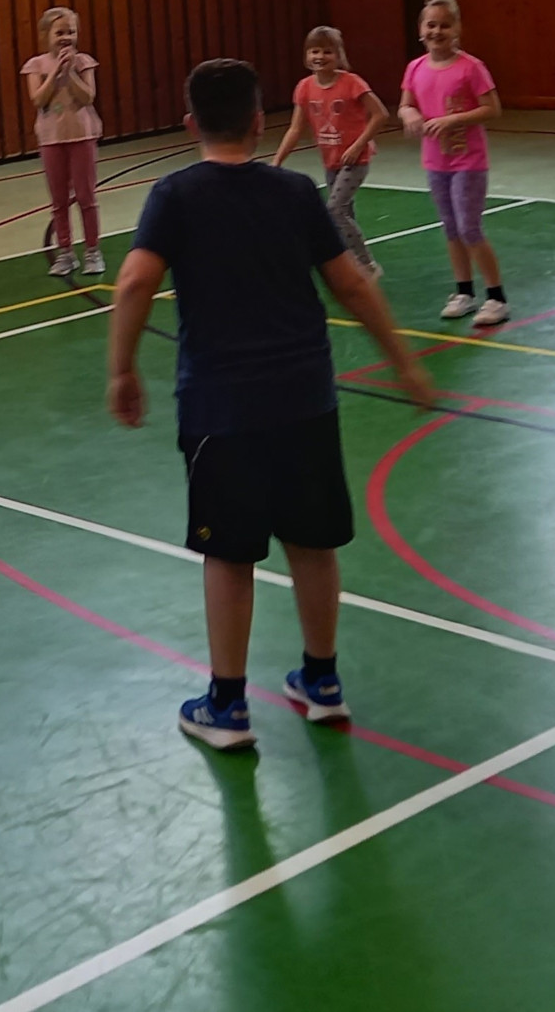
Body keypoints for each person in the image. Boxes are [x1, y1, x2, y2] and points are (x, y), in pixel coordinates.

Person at [107, 59, 435, 751]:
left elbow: (134, 282)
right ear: (260, 122)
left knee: (229, 554)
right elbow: (351, 284)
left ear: (190, 124)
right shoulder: (293, 192)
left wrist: (122, 370)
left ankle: (227, 706)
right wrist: (404, 361)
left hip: (221, 408)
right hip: (304, 400)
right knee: (312, 543)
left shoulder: (175, 195)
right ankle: (322, 681)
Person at [399, 0, 508, 325]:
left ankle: (496, 297)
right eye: (431, 25)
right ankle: (464, 292)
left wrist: (453, 120)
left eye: (445, 25)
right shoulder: (415, 68)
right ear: (421, 29)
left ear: (457, 29)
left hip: (467, 162)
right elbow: (406, 104)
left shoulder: (471, 68)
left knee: (469, 227)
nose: (437, 31)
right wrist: (409, 114)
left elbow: (492, 108)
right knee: (450, 228)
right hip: (436, 162)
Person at [273, 25, 390, 278]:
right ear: (307, 55)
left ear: (338, 55)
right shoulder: (304, 87)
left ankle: (367, 264)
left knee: (334, 210)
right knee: (345, 212)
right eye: (314, 51)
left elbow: (380, 114)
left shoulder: (352, 83)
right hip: (331, 160)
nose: (320, 57)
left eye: (327, 51)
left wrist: (359, 144)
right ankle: (351, 262)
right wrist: (278, 160)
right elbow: (295, 128)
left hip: (355, 160)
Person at [20, 6, 107, 277]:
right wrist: (56, 70)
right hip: (51, 139)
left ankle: (92, 250)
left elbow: (87, 97)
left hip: (82, 136)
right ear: (46, 35)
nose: (66, 37)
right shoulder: (36, 66)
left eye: (71, 32)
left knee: (86, 196)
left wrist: (69, 74)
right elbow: (38, 99)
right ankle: (66, 252)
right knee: (58, 200)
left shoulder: (83, 62)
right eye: (60, 33)